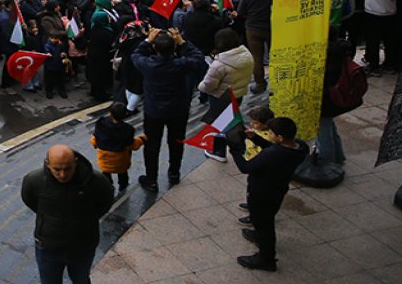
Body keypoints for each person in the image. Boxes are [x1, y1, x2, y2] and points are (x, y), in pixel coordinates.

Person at [20, 144, 115, 284]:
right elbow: (30, 200)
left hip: (83, 246)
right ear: (47, 164)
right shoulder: (34, 181)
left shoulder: (95, 181)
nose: (63, 175)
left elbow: (105, 202)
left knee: (81, 280)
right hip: (48, 246)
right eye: (57, 169)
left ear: (75, 161)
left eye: (68, 168)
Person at [226, 117, 309, 271]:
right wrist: (255, 138)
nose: (268, 134)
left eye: (271, 133)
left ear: (280, 137)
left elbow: (246, 167)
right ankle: (259, 236)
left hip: (261, 193)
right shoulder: (300, 147)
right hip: (277, 190)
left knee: (263, 223)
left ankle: (266, 258)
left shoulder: (273, 154)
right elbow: (275, 148)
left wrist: (235, 151)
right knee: (266, 218)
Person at [131, 28, 204, 191]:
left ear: (155, 48)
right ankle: (174, 173)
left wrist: (147, 40)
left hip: (153, 111)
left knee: (151, 146)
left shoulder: (148, 65)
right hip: (178, 109)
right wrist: (182, 42)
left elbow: (135, 55)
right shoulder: (181, 64)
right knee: (177, 142)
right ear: (174, 49)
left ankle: (151, 179)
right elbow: (198, 57)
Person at [197, 28, 255, 161]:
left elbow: (208, 86)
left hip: (220, 97)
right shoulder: (247, 54)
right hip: (238, 94)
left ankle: (219, 151)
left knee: (220, 124)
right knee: (232, 120)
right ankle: (240, 146)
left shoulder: (219, 64)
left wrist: (200, 86)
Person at [89, 103, 145, 190]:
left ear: (110, 113)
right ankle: (123, 186)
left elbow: (94, 139)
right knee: (123, 175)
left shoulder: (100, 124)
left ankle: (108, 186)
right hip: (121, 162)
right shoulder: (127, 129)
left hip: (104, 161)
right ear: (125, 115)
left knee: (106, 175)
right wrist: (142, 139)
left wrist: (95, 144)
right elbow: (133, 145)